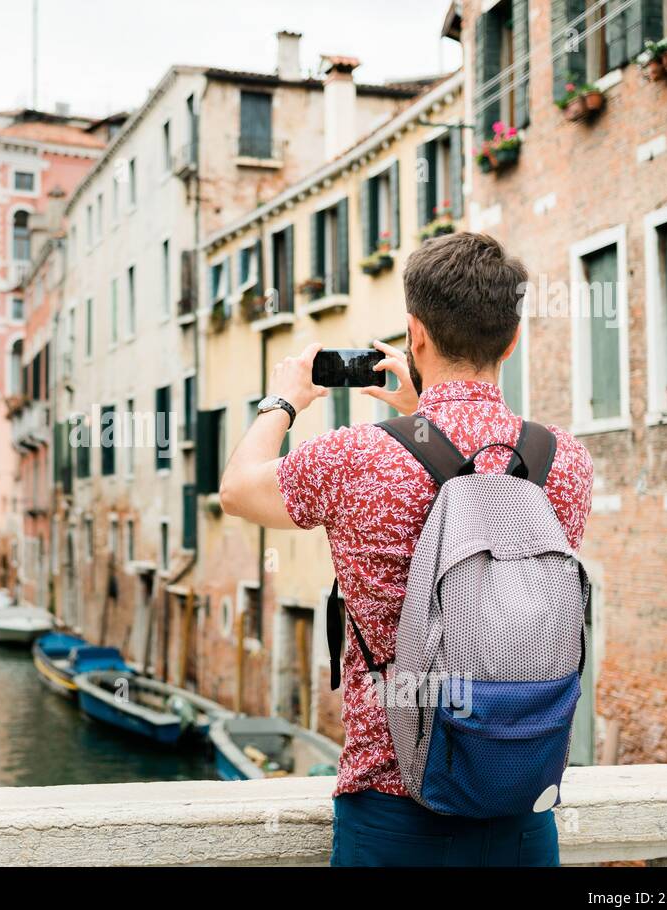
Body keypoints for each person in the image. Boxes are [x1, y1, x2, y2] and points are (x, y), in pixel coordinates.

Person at [218, 232, 593, 866]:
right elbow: (489, 515)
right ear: (513, 338)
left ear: (415, 334)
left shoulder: (357, 457)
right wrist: (422, 416)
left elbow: (236, 490)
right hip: (523, 812)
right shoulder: (565, 461)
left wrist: (284, 400)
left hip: (391, 815)